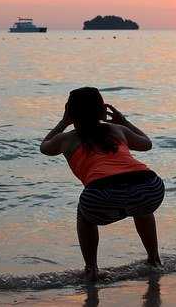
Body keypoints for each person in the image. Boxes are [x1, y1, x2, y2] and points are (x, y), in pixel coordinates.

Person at [40, 87, 165, 281]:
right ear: (102, 109)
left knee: (84, 216)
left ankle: (92, 269)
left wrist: (64, 122)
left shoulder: (65, 139)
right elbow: (146, 143)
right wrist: (123, 121)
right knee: (141, 208)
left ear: (70, 112)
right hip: (149, 185)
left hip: (101, 193)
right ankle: (154, 259)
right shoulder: (117, 130)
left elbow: (44, 147)